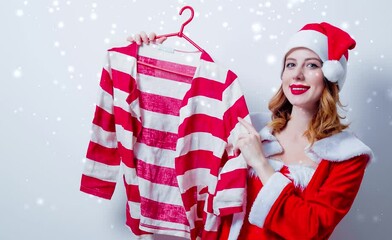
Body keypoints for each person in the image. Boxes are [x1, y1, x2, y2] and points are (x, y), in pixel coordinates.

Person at [127, 22, 373, 240]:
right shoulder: (247, 127)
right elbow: (179, 149)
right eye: (290, 64)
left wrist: (260, 164)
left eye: (312, 65)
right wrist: (157, 59)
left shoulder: (347, 156)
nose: (297, 74)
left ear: (331, 77)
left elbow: (310, 231)